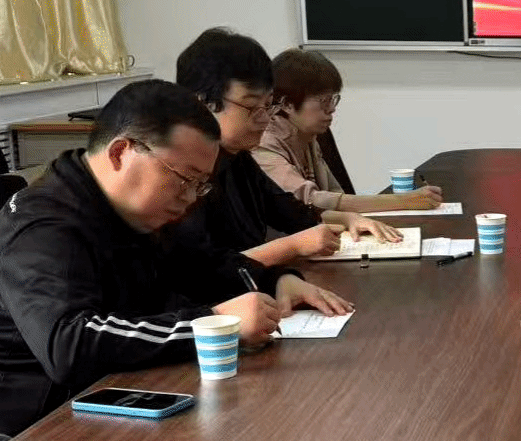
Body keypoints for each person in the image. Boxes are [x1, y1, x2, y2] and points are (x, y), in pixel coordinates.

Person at [0, 80, 347, 436]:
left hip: (99, 404)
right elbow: (69, 344)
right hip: (16, 439)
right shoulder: (45, 226)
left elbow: (200, 264)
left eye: (200, 185)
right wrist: (214, 324)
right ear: (120, 153)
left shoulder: (129, 208)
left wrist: (276, 279)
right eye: (184, 179)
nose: (189, 198)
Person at [169, 27, 399, 265]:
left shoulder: (238, 158)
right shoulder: (179, 177)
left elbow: (292, 213)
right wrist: (293, 246)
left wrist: (347, 219)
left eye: (268, 105)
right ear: (203, 103)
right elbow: (202, 271)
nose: (264, 118)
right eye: (252, 107)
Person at [255, 49, 444, 214]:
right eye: (323, 101)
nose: (331, 109)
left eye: (333, 99)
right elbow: (308, 200)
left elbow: (337, 196)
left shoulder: (307, 134)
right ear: (287, 104)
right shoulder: (263, 143)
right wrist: (402, 201)